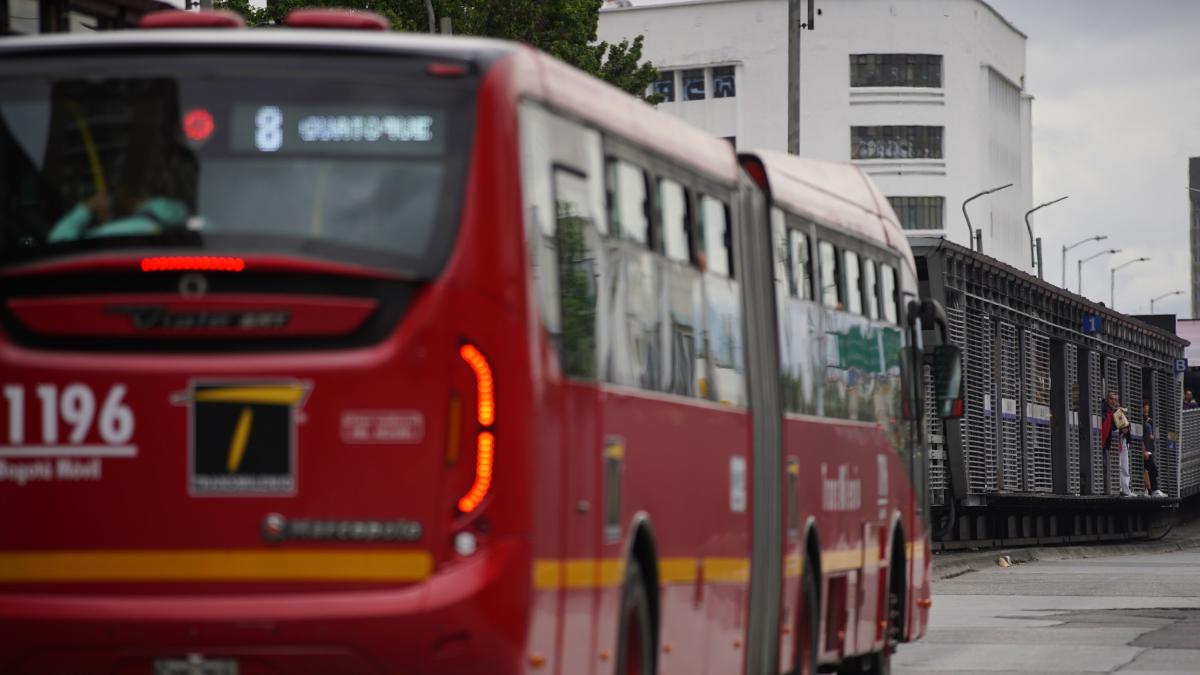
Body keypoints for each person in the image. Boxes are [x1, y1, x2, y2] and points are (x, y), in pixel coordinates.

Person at [1100, 390, 1132, 497]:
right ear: (1107, 399)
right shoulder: (1101, 408)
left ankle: (1104, 490)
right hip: (1096, 442)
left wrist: (1120, 414)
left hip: (1104, 444)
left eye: (1116, 399)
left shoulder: (1114, 412)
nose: (1114, 401)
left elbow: (1123, 428)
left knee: (1104, 466)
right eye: (1112, 399)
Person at [1142, 400, 1168, 497]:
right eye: (1144, 410)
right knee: (1151, 468)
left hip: (1149, 447)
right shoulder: (1141, 420)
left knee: (1150, 469)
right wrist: (1143, 449)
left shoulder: (1148, 421)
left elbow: (1150, 435)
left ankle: (1150, 490)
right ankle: (1153, 490)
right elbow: (1141, 436)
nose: (1146, 412)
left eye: (1147, 410)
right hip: (1144, 448)